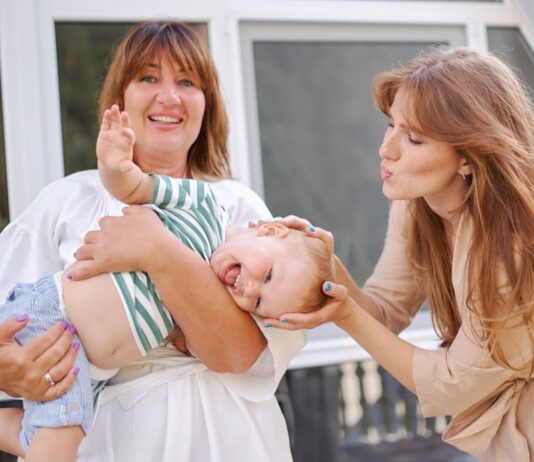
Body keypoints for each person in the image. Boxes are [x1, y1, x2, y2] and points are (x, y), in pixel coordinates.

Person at [0, 21, 307, 462]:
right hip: (109, 441)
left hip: (231, 437)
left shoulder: (237, 209)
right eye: (148, 77)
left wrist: (158, 252)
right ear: (119, 100)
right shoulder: (65, 202)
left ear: (207, 104)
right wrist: (9, 371)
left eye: (187, 81)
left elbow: (244, 356)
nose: (170, 96)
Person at [255, 47, 534, 461]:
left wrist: (345, 314)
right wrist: (325, 263)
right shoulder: (417, 206)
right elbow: (383, 312)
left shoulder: (510, 243)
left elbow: (454, 382)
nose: (386, 149)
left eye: (414, 138)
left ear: (469, 157)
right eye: (391, 126)